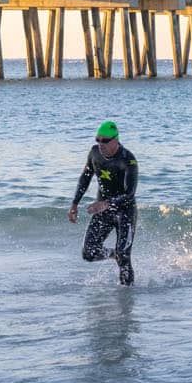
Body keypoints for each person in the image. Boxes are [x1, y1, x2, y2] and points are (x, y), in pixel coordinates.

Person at [68, 120, 138, 285]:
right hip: (104, 211)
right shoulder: (94, 153)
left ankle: (127, 299)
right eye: (98, 140)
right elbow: (85, 178)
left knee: (125, 257)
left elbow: (130, 193)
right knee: (89, 253)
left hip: (125, 211)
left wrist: (106, 203)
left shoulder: (128, 160)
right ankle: (115, 255)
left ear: (116, 139)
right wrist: (74, 204)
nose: (100, 144)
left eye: (105, 140)